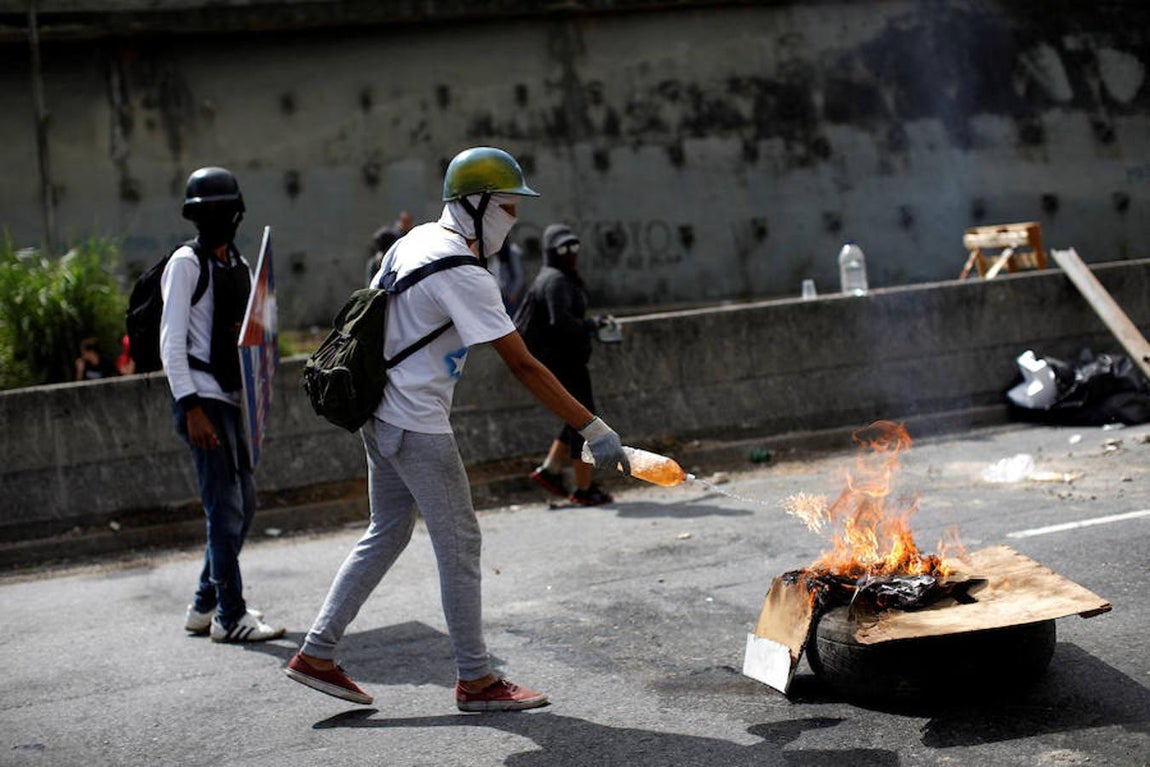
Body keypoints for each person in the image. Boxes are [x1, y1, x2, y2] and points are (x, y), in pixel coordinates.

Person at [284, 146, 630, 711]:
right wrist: (592, 427)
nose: (513, 220)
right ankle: (477, 680)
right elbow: (522, 363)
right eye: (508, 208)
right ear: (476, 205)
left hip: (378, 411)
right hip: (416, 420)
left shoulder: (413, 239)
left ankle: (317, 652)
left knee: (388, 531)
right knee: (460, 541)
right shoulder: (462, 270)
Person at [161, 166, 285, 644]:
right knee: (222, 507)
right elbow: (171, 344)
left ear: (236, 213)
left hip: (234, 399)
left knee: (244, 504)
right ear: (194, 216)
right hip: (201, 400)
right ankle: (230, 615)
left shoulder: (240, 266)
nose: (217, 217)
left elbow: (258, 336)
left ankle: (203, 604)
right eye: (206, 210)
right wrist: (190, 407)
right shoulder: (186, 264)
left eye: (223, 209)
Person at [514, 224, 615, 506]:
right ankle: (583, 489)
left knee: (575, 418)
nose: (571, 253)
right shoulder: (556, 280)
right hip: (562, 362)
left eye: (574, 247)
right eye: (564, 248)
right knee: (583, 421)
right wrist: (592, 325)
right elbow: (561, 323)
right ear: (551, 252)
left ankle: (550, 471)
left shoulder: (556, 278)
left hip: (561, 360)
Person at [365, 210, 414, 286]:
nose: (406, 224)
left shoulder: (411, 236)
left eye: (408, 222)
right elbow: (377, 239)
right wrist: (379, 252)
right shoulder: (391, 232)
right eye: (404, 221)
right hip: (382, 263)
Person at [490, 237, 525, 315]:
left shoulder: (512, 252)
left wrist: (514, 292)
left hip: (510, 297)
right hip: (499, 297)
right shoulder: (497, 254)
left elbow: (519, 275)